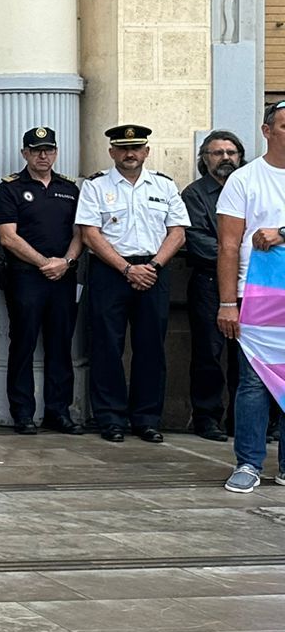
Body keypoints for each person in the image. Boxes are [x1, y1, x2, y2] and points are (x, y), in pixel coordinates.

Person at [77, 123, 188, 445]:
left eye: (136, 148)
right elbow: (90, 234)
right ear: (112, 152)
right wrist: (127, 268)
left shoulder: (164, 186)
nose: (130, 154)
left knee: (151, 347)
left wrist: (151, 266)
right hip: (111, 272)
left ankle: (146, 419)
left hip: (155, 270)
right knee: (106, 347)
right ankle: (110, 418)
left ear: (146, 152)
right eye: (123, 149)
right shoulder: (96, 186)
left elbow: (178, 231)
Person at [0, 125, 86, 436]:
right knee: (23, 343)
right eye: (36, 150)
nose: (43, 155)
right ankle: (23, 413)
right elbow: (8, 237)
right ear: (25, 153)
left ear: (56, 152)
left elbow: (80, 233)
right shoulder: (10, 188)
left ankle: (58, 412)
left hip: (63, 276)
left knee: (60, 344)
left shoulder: (70, 188)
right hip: (26, 277)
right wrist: (45, 263)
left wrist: (67, 262)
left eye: (48, 149)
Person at [220, 101, 285, 492]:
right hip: (258, 295)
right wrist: (228, 302)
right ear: (266, 131)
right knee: (254, 382)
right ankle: (248, 462)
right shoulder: (245, 179)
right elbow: (228, 245)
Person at [185, 129, 246, 442]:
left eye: (230, 153)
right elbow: (197, 240)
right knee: (209, 352)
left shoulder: (251, 187)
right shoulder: (194, 194)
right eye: (217, 153)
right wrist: (236, 254)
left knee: (248, 356)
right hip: (209, 283)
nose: (225, 158)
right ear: (204, 159)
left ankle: (244, 421)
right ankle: (207, 418)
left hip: (251, 285)